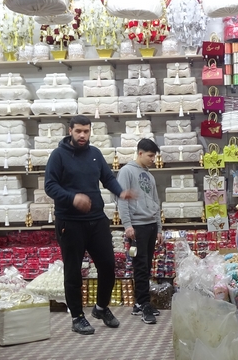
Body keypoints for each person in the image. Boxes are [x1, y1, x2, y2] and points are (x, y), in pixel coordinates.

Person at [45, 115, 135, 335]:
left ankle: (101, 308)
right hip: (70, 222)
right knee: (73, 272)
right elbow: (50, 186)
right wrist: (72, 198)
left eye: (86, 131)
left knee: (108, 265)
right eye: (78, 131)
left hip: (97, 220)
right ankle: (77, 317)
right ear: (70, 131)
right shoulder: (58, 156)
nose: (82, 135)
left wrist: (120, 192)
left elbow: (108, 178)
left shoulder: (95, 153)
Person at [116, 139, 162, 325]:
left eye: (154, 156)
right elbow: (122, 200)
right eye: (150, 156)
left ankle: (139, 303)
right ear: (140, 153)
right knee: (140, 266)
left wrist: (159, 228)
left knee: (147, 265)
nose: (153, 159)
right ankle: (144, 304)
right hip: (137, 226)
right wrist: (127, 225)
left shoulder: (149, 175)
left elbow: (156, 201)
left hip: (151, 225)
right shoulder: (126, 171)